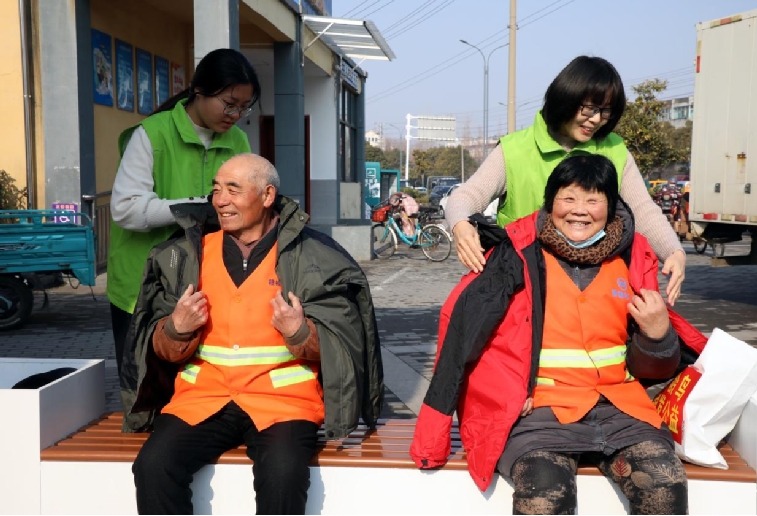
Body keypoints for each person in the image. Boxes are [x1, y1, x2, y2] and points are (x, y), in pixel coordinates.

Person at [411, 155, 707, 514]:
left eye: (593, 200)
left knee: (665, 487)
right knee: (544, 498)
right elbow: (464, 338)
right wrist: (506, 393)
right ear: (550, 203)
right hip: (540, 419)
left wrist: (659, 336)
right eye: (568, 198)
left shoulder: (630, 260)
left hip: (623, 413)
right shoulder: (514, 259)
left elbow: (655, 371)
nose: (580, 211)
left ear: (610, 207)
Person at [119, 154, 384, 514]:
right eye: (216, 189)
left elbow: (346, 347)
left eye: (233, 189)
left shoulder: (316, 257)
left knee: (284, 474)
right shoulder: (182, 255)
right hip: (201, 399)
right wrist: (175, 330)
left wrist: (300, 332)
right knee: (152, 467)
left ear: (267, 195)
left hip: (285, 404)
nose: (220, 200)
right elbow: (157, 351)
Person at [445, 56, 687, 305]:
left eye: (605, 112)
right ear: (566, 97)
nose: (596, 119)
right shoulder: (516, 149)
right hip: (526, 292)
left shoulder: (614, 149)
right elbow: (466, 196)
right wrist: (461, 225)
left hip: (595, 293)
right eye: (590, 108)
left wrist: (674, 252)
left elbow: (643, 210)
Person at [107, 48, 261, 375]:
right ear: (199, 91)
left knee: (199, 392)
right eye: (229, 103)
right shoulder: (152, 134)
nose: (236, 114)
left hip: (207, 290)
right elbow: (125, 210)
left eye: (245, 107)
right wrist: (190, 208)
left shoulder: (238, 142)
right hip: (142, 289)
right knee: (146, 391)